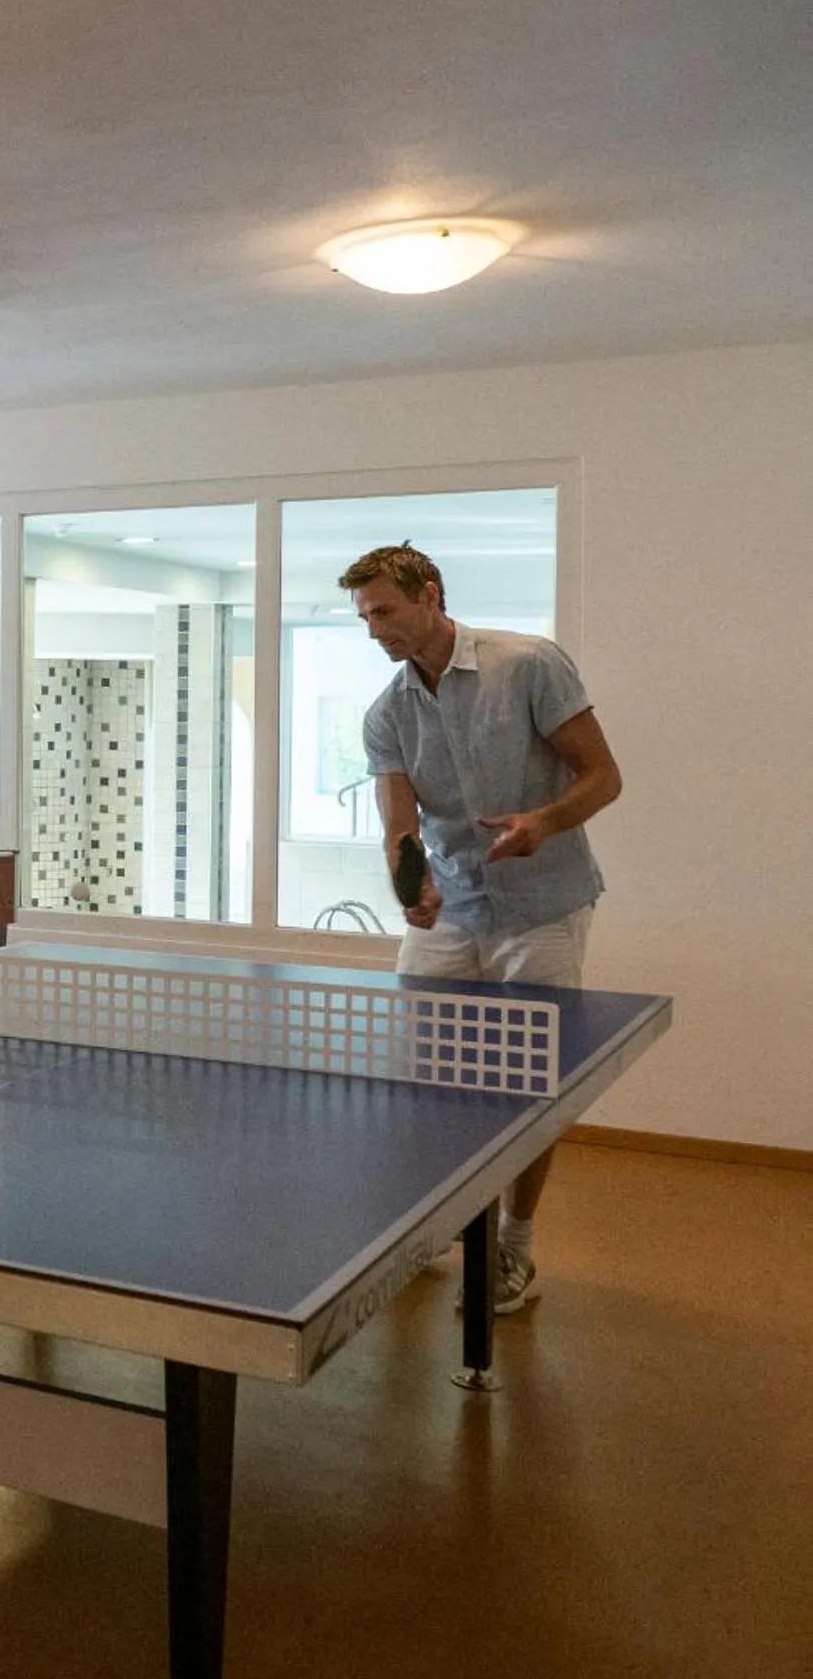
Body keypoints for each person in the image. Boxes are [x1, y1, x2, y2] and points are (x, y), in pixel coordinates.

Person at [343, 542, 623, 1313]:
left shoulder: (529, 664)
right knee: (427, 1084)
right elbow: (400, 827)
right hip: (455, 915)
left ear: (428, 594)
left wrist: (545, 819)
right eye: (365, 616)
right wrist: (414, 886)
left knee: (530, 1088)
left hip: (544, 910)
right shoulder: (387, 713)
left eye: (386, 611)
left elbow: (605, 775)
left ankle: (514, 1247)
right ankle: (429, 1225)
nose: (375, 630)